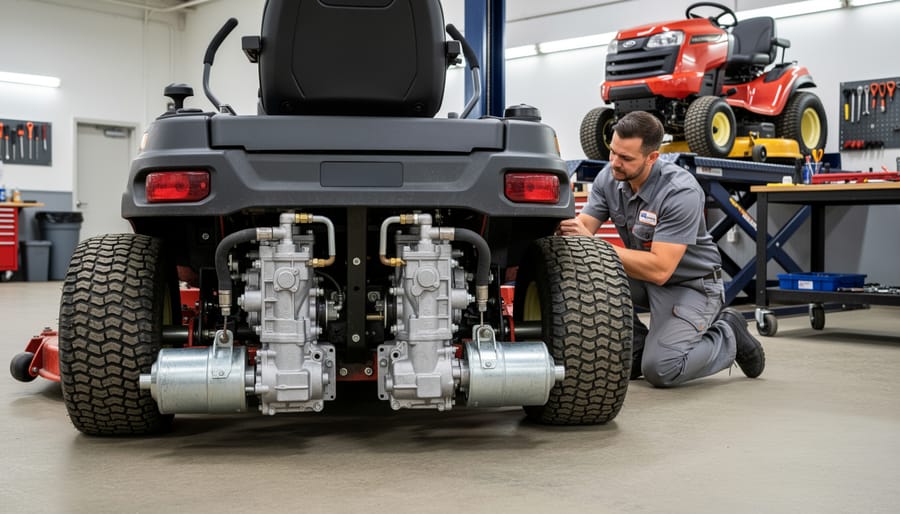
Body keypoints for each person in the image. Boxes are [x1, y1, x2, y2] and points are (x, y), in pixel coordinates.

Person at [558, 111, 765, 387]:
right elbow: (583, 228)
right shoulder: (610, 177)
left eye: (626, 158)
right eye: (613, 153)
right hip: (644, 280)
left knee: (662, 369)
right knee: (582, 270)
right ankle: (638, 347)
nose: (615, 164)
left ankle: (729, 334)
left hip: (691, 286)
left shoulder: (679, 192)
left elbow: (660, 269)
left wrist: (595, 244)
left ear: (652, 157)